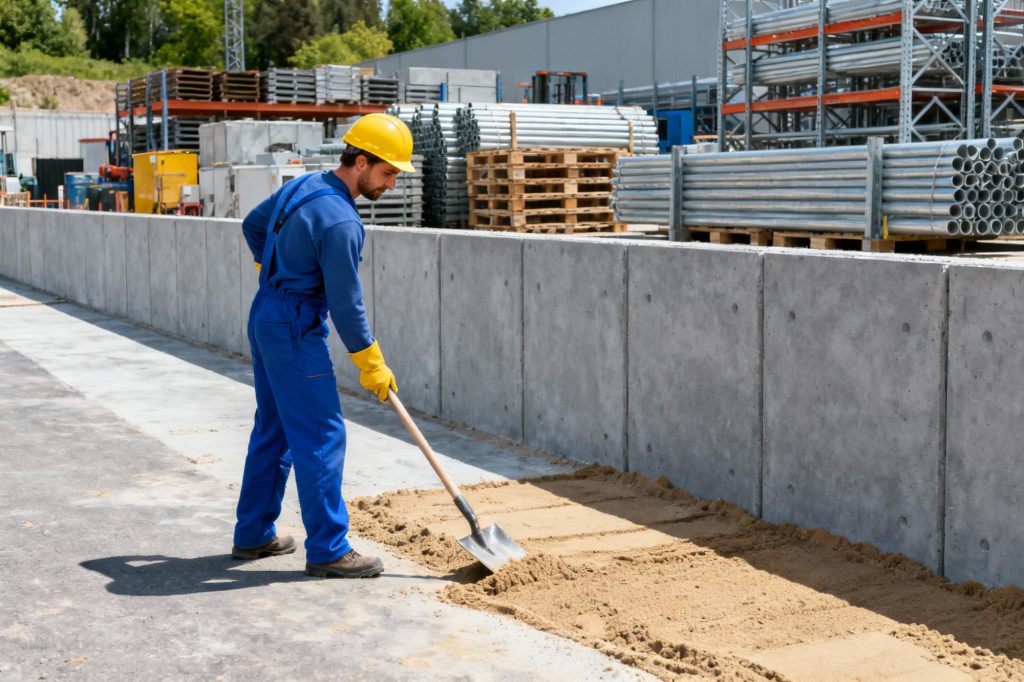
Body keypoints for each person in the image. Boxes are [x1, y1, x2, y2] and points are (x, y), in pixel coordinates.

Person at [231, 113, 415, 578]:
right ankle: (330, 548)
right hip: (293, 325)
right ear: (360, 161)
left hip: (267, 314)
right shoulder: (341, 223)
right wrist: (370, 360)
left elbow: (253, 225)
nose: (392, 184)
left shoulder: (303, 186)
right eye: (388, 172)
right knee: (320, 434)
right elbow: (346, 303)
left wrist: (271, 271)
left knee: (273, 428)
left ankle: (253, 532)